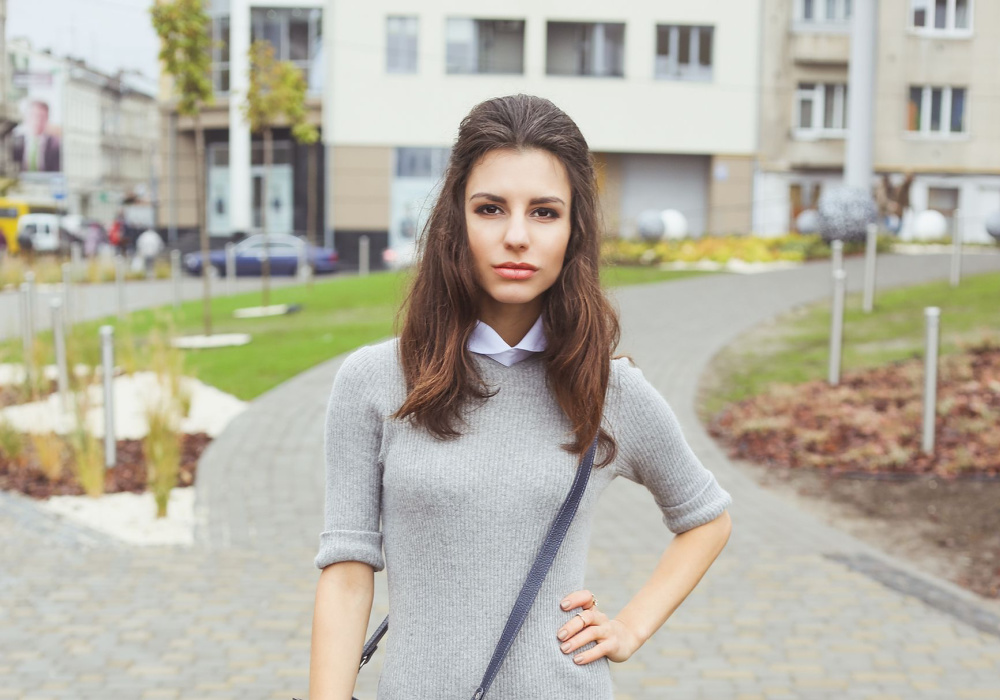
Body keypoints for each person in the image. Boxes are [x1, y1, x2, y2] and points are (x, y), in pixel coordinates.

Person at [308, 94, 733, 699]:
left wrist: (630, 628)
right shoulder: (374, 381)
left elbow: (707, 520)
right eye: (490, 208)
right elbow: (348, 571)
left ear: (574, 228)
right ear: (455, 220)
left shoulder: (607, 390)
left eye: (543, 212)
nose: (515, 236)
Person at [11, 100, 62, 173]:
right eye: (33, 115)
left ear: (47, 118)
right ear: (25, 117)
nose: (37, 120)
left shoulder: (56, 145)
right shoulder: (14, 142)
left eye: (42, 116)